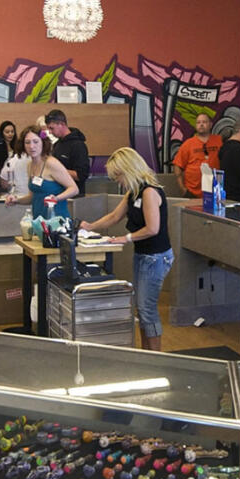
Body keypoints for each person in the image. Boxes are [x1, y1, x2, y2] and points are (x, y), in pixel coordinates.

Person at [80, 148, 172, 351]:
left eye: (118, 176)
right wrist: (89, 226)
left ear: (128, 170)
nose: (117, 181)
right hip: (143, 255)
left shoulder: (149, 192)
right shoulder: (133, 192)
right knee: (141, 308)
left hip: (156, 257)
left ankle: (156, 355)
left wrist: (125, 238)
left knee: (147, 309)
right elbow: (114, 217)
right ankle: (146, 353)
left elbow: (152, 228)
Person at [3, 129, 78, 218]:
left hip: (57, 220)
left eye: (36, 142)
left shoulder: (51, 163)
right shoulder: (30, 165)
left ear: (43, 143)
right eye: (27, 142)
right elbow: (32, 197)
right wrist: (16, 200)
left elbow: (74, 189)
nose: (31, 146)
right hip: (39, 221)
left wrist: (56, 198)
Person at [173, 112, 223, 198]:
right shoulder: (188, 144)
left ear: (211, 124)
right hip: (192, 192)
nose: (201, 125)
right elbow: (177, 165)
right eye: (198, 122)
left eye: (204, 122)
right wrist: (182, 189)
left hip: (215, 190)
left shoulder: (219, 141)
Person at [45, 109, 91, 196]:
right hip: (58, 194)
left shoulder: (78, 145)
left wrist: (57, 170)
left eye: (52, 128)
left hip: (74, 196)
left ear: (62, 124)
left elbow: (81, 175)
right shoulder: (56, 145)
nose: (50, 132)